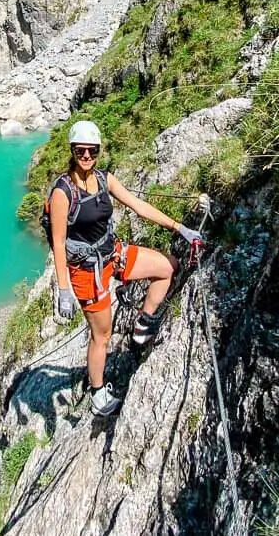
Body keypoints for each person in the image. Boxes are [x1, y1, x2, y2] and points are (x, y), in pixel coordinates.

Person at [50, 120, 201, 417]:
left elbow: (138, 206)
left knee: (167, 267)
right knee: (102, 336)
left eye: (92, 151)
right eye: (81, 151)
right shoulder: (62, 193)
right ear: (72, 151)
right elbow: (58, 243)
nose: (87, 156)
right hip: (86, 272)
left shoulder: (105, 179)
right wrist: (64, 290)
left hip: (112, 254)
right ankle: (98, 394)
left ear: (98, 151)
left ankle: (142, 325)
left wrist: (179, 228)